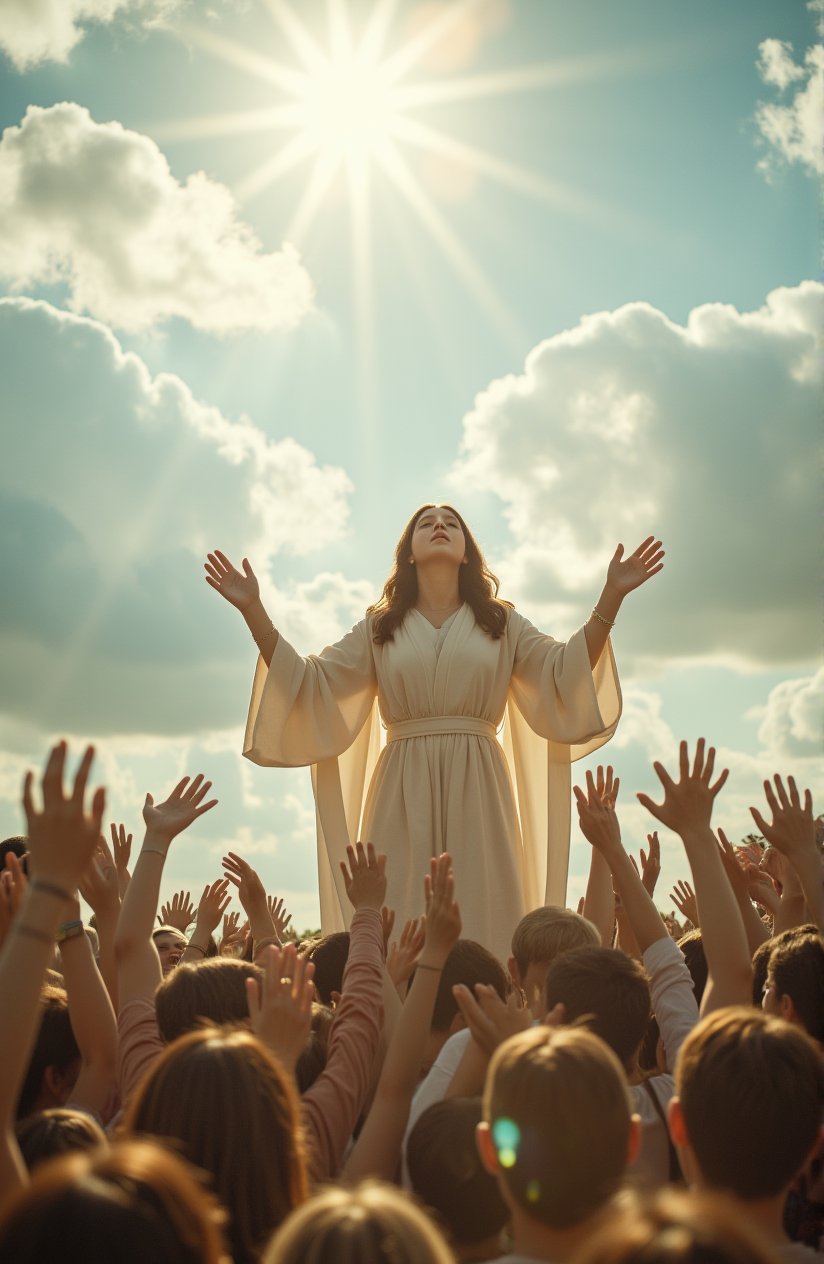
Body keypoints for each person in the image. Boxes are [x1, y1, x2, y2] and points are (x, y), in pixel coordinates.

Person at [205, 507, 662, 959]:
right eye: (426, 523)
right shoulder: (379, 627)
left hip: (479, 783)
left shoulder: (502, 623)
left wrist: (611, 597)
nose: (439, 526)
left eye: (451, 523)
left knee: (484, 919)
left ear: (467, 554)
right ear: (407, 554)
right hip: (402, 787)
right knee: (399, 914)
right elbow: (311, 684)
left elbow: (565, 673)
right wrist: (253, 610)